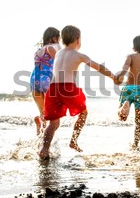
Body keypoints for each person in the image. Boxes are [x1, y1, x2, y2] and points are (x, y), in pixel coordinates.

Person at [39, 25, 117, 159]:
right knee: (83, 113)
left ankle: (44, 149)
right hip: (68, 88)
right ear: (77, 39)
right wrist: (113, 77)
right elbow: (98, 67)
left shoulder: (58, 53)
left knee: (53, 123)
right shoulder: (79, 55)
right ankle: (73, 141)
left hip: (52, 89)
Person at [30, 27, 62, 135]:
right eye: (58, 38)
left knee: (43, 112)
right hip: (47, 79)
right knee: (54, 118)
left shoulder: (38, 51)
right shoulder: (51, 47)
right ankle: (45, 144)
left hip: (34, 80)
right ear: (53, 38)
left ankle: (40, 124)